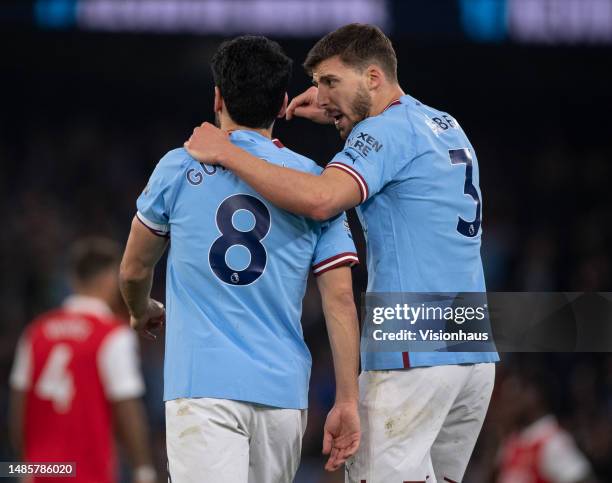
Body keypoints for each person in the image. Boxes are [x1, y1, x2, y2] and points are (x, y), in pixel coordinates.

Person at [184, 23, 499, 483]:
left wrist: (228, 153)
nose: (321, 95)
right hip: (471, 345)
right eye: (316, 85)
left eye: (330, 82)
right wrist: (338, 110)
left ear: (373, 78)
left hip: (413, 346)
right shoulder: (443, 123)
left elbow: (321, 199)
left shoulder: (384, 134)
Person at [119, 35, 361, 483]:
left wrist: (140, 309)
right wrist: (347, 398)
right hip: (283, 394)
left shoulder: (178, 167)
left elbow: (134, 269)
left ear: (217, 98)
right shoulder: (316, 184)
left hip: (202, 387)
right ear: (283, 102)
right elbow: (341, 299)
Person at [9, 237, 156, 483]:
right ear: (112, 279)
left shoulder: (36, 332)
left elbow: (18, 409)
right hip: (89, 473)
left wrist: (24, 467)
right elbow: (127, 407)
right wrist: (144, 470)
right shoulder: (112, 335)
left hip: (40, 473)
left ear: (73, 279)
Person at [495, 366, 595, 483]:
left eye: (514, 391)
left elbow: (582, 478)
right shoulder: (512, 441)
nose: (507, 399)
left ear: (534, 395)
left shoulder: (553, 441)